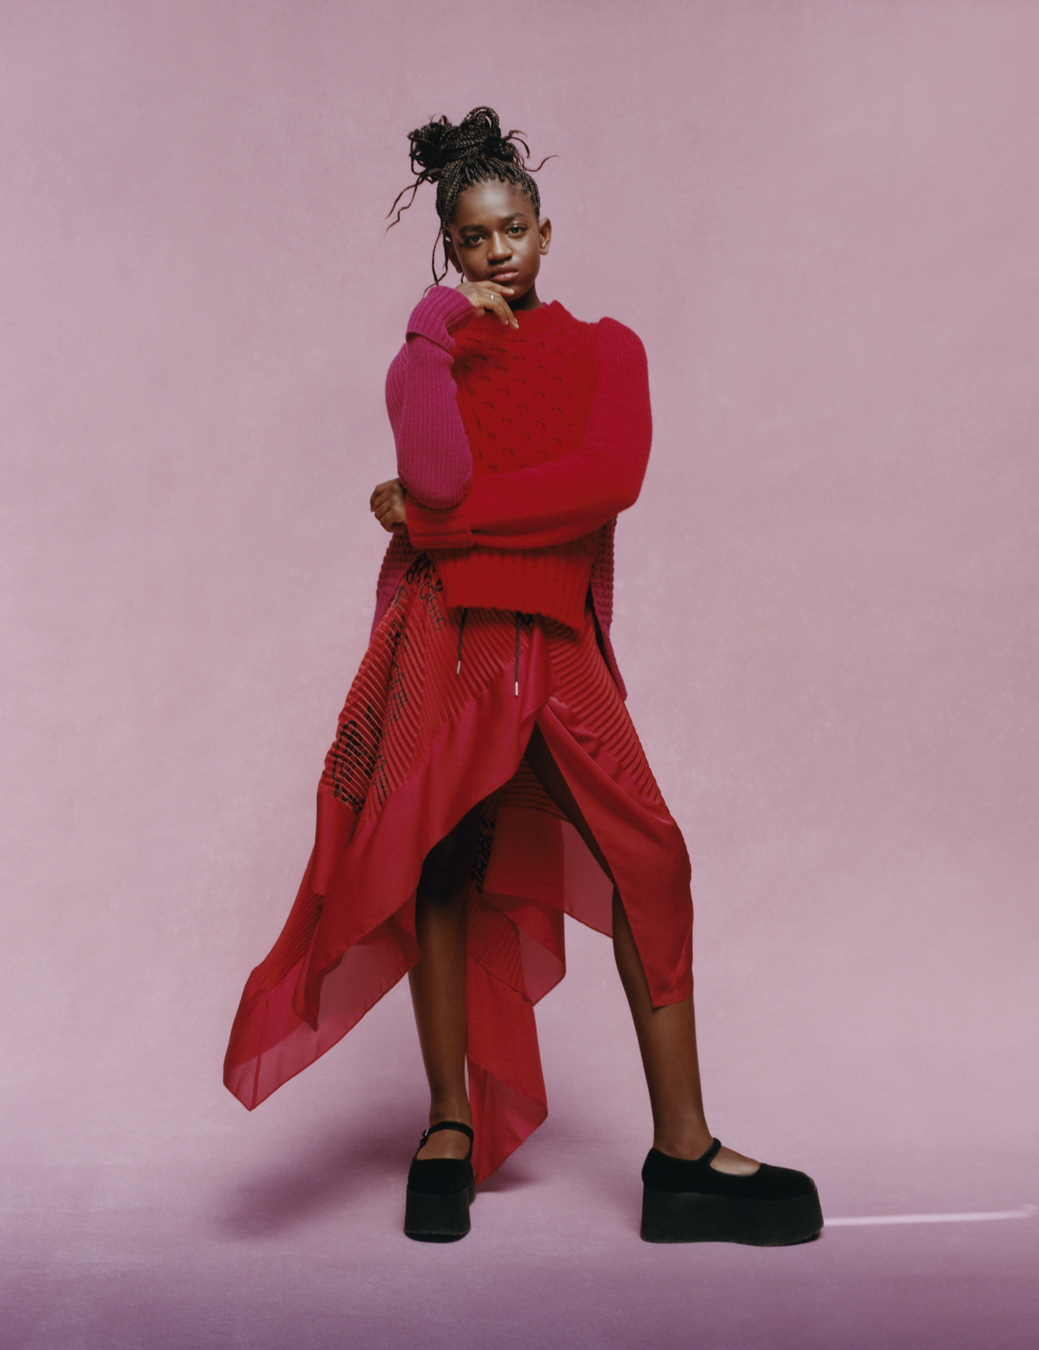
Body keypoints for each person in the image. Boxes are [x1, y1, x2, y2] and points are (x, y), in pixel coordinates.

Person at [223, 107, 822, 1247]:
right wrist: (428, 329)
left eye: (511, 230)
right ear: (449, 251)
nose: (495, 252)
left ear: (545, 231)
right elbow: (433, 467)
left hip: (548, 639)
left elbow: (603, 482)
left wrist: (442, 529)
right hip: (449, 642)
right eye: (469, 240)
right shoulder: (429, 357)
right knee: (443, 859)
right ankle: (447, 1126)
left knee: (651, 856)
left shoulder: (608, 347)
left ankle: (681, 1152)